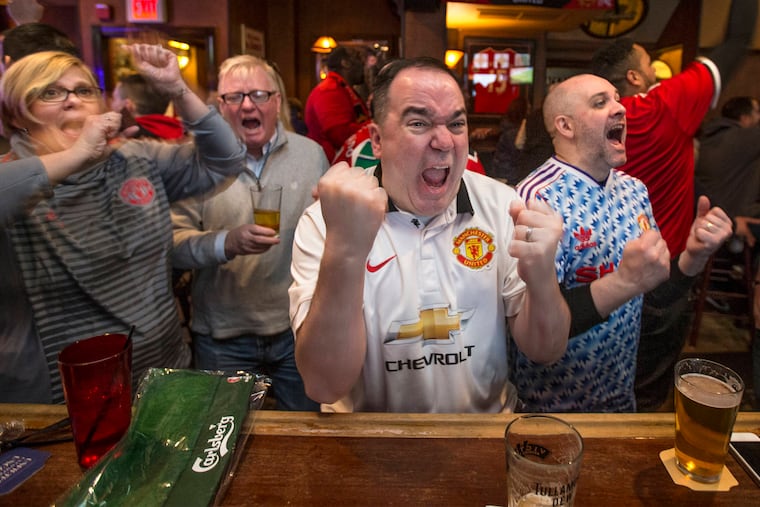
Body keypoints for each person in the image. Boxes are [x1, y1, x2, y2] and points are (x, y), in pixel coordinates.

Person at [289, 57, 571, 413]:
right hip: (367, 444)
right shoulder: (326, 221)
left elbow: (545, 350)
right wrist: (345, 249)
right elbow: (324, 384)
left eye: (456, 123)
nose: (444, 141)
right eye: (419, 122)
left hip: (481, 438)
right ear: (377, 140)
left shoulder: (502, 205)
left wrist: (543, 276)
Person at [0, 46, 246, 403]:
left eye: (84, 90)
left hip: (162, 373)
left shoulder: (134, 159)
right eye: (50, 92)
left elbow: (225, 160)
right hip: (66, 398)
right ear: (16, 112)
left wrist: (178, 90)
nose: (72, 101)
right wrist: (74, 157)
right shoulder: (13, 180)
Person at [515, 74, 732, 412]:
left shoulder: (634, 190)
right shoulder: (536, 198)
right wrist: (623, 282)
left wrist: (694, 255)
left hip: (620, 401)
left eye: (617, 98)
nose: (620, 108)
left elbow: (650, 294)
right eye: (600, 102)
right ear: (566, 126)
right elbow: (534, 325)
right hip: (552, 409)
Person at [590, 0, 758, 411]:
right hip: (664, 278)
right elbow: (735, 42)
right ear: (633, 77)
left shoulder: (582, 124)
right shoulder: (659, 106)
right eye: (649, 64)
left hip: (596, 277)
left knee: (596, 387)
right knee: (648, 396)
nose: (656, 72)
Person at [171, 55, 327, 410]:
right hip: (223, 336)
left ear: (277, 102)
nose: (247, 105)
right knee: (220, 442)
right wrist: (226, 242)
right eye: (233, 97)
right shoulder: (194, 162)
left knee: (306, 439)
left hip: (295, 329)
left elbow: (328, 235)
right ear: (219, 108)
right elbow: (172, 246)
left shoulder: (311, 154)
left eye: (258, 94)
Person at [696, 96, 760, 222]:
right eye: (758, 112)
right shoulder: (744, 139)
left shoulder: (708, 138)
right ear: (745, 118)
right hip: (731, 222)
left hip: (708, 216)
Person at [305, 46, 370, 161]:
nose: (363, 65)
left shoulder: (340, 88)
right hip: (328, 165)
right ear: (345, 63)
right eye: (358, 58)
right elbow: (339, 135)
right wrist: (375, 125)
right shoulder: (330, 90)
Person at [110, 73, 185, 140]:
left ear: (128, 106)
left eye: (114, 98)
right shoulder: (184, 131)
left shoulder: (125, 140)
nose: (111, 104)